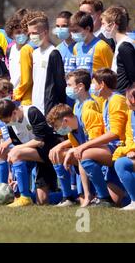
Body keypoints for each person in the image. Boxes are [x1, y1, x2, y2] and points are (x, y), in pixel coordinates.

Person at [46, 69, 104, 207]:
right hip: (83, 150)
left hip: (95, 151)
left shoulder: (90, 105)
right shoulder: (77, 105)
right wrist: (61, 145)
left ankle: (93, 194)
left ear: (80, 86)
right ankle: (70, 196)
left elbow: (93, 138)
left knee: (79, 154)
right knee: (57, 153)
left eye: (69, 85)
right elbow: (78, 134)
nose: (67, 88)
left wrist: (74, 149)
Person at [71, 68, 127, 206]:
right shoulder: (107, 101)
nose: (93, 88)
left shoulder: (116, 100)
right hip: (112, 148)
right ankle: (99, 195)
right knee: (117, 199)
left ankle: (103, 198)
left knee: (84, 153)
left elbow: (115, 133)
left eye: (94, 84)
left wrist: (85, 145)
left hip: (121, 148)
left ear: (102, 84)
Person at [0, 99, 59, 207]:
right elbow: (17, 148)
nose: (7, 124)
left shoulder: (31, 112)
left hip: (49, 153)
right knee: (42, 201)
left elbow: (40, 140)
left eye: (6, 121)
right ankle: (67, 196)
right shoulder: (11, 125)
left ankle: (25, 197)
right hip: (33, 156)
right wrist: (13, 174)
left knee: (16, 152)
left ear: (14, 112)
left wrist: (18, 148)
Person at [27, 12, 66, 115]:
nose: (31, 36)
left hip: (49, 108)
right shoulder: (34, 53)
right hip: (36, 105)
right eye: (29, 33)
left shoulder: (53, 53)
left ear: (45, 32)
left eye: (34, 33)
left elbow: (59, 84)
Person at [100, 6, 135, 94]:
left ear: (112, 25)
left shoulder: (125, 46)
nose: (102, 28)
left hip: (124, 96)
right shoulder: (118, 44)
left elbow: (132, 74)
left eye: (103, 24)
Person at [114, 83, 135, 210]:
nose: (125, 101)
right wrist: (131, 149)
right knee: (120, 161)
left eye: (126, 98)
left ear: (132, 99)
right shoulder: (130, 113)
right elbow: (129, 136)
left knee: (121, 164)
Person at [53, 11, 76, 106]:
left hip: (76, 94)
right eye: (58, 26)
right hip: (62, 96)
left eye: (64, 26)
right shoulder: (57, 49)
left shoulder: (79, 47)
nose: (60, 29)